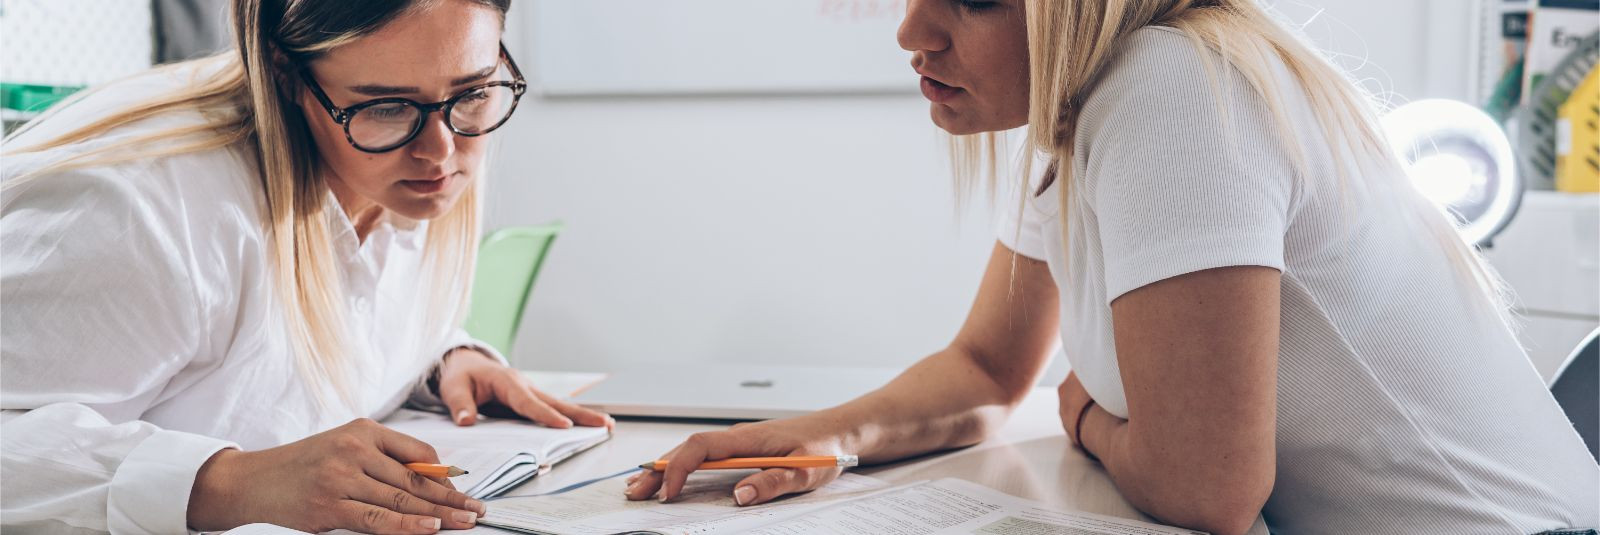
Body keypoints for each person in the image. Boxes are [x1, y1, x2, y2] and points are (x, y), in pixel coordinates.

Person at [625, 1, 1600, 534]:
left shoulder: (1170, 88)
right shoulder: (1081, 119)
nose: (911, 31)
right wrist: (811, 437)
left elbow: (1207, 488)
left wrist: (1084, 412)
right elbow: (984, 368)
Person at [0, 1, 610, 533]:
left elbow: (329, 329)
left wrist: (447, 358)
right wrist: (231, 482)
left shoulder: (395, 173)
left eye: (473, 92)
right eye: (389, 107)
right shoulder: (142, 212)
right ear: (287, 74)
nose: (441, 152)